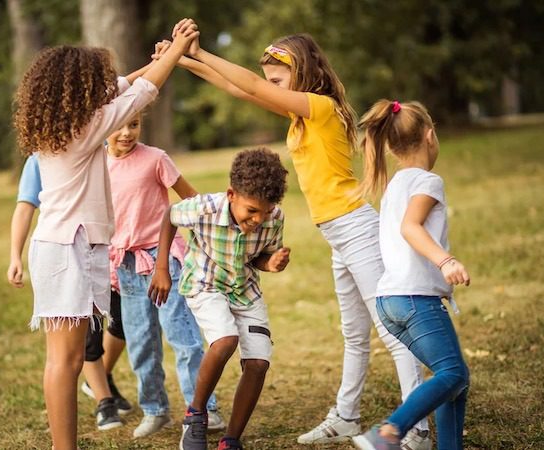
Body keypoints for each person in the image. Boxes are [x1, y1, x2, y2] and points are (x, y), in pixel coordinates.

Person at [170, 27, 430, 448]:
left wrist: (201, 51)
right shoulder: (301, 114)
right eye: (271, 82)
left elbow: (251, 85)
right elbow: (242, 91)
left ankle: (415, 429)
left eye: (278, 81)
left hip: (356, 228)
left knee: (391, 329)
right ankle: (346, 416)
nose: (270, 89)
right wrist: (184, 58)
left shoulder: (321, 107)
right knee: (354, 332)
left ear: (301, 73)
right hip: (339, 233)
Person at [11, 20, 199, 450]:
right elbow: (143, 91)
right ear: (80, 93)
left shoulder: (63, 122)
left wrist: (153, 61)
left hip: (73, 247)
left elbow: (125, 85)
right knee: (63, 360)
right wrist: (178, 49)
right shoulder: (85, 129)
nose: (103, 91)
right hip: (65, 249)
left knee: (73, 359)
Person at [149, 148, 291, 450]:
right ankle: (195, 415)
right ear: (231, 195)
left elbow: (259, 259)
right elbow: (169, 216)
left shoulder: (274, 218)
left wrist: (272, 263)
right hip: (205, 282)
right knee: (225, 340)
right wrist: (161, 267)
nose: (258, 219)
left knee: (258, 363)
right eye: (251, 210)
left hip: (245, 291)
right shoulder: (204, 208)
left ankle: (231, 440)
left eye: (265, 212)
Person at [352, 100, 470, 450]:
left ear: (389, 145)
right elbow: (410, 227)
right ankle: (388, 432)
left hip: (390, 302)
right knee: (453, 373)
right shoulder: (428, 181)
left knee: (454, 380)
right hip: (416, 300)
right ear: (430, 136)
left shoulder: (395, 185)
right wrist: (446, 261)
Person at [105, 111, 225, 437]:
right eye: (119, 125)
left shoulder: (155, 159)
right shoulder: (97, 166)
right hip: (125, 263)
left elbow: (192, 199)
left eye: (134, 124)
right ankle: (155, 410)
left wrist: (218, 229)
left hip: (164, 257)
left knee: (183, 338)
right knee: (142, 343)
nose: (127, 133)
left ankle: (204, 409)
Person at [7, 154, 132, 432]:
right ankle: (102, 400)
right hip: (64, 256)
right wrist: (15, 255)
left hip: (101, 255)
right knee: (75, 348)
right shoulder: (39, 159)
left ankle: (100, 386)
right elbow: (25, 207)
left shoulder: (95, 150)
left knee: (107, 331)